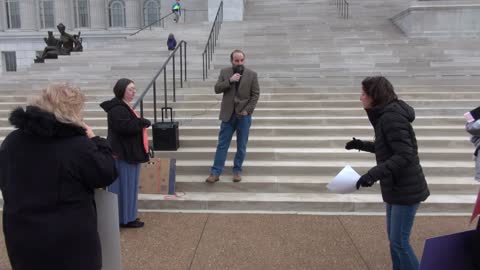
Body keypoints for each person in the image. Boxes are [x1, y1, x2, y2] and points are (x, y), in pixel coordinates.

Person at [0, 84, 117, 270]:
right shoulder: (76, 145)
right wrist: (96, 140)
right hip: (68, 240)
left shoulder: (13, 141)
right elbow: (106, 173)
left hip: (22, 233)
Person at [345, 76, 430, 270]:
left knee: (400, 243)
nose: (360, 98)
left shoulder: (391, 117)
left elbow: (404, 154)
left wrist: (371, 175)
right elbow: (388, 148)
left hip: (405, 188)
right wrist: (361, 145)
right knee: (395, 242)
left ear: (374, 96)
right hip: (396, 187)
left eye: (363, 94)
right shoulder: (385, 116)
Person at [100, 78, 151, 228]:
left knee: (129, 186)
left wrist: (140, 122)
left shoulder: (122, 106)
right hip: (122, 155)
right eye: (130, 89)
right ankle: (123, 219)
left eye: (134, 89)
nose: (134, 92)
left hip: (127, 153)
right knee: (124, 187)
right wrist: (141, 122)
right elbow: (124, 127)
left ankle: (128, 217)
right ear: (121, 90)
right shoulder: (117, 108)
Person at [205, 50, 260, 183]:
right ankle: (215, 172)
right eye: (236, 60)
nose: (239, 63)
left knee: (241, 145)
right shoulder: (225, 72)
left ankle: (237, 171)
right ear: (231, 61)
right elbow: (217, 88)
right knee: (222, 145)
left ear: (244, 60)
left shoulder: (252, 75)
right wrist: (229, 81)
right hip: (228, 115)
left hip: (244, 116)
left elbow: (255, 95)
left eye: (241, 60)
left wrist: (248, 110)